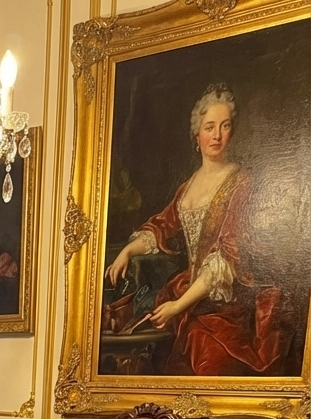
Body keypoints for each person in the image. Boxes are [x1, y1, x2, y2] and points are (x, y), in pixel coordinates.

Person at [105, 85, 292, 376]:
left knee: (204, 350)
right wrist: (128, 251)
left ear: (233, 132)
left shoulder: (241, 182)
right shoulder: (187, 186)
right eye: (210, 127)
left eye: (225, 126)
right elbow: (163, 227)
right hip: (188, 293)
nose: (217, 135)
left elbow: (226, 259)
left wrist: (179, 306)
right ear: (197, 135)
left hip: (225, 302)